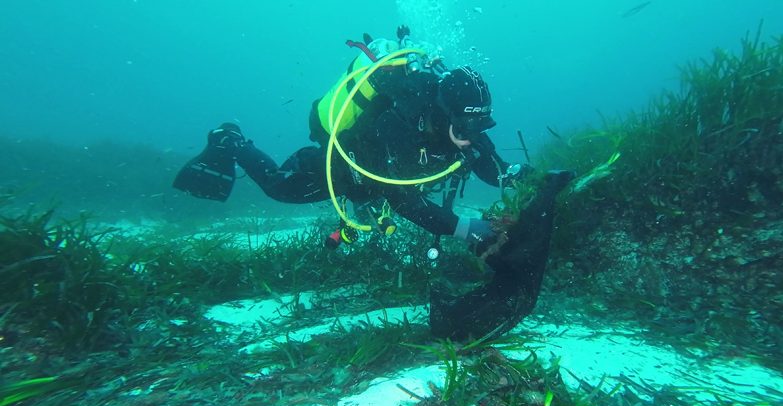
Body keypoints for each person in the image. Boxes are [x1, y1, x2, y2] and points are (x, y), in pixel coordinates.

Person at [173, 27, 529, 251]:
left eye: (479, 128)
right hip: (350, 166)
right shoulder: (399, 123)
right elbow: (403, 200)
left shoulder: (464, 125)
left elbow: (489, 162)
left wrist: (529, 180)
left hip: (388, 177)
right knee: (278, 187)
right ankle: (231, 141)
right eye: (466, 130)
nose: (473, 139)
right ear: (442, 114)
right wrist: (467, 230)